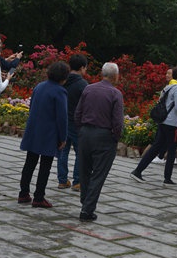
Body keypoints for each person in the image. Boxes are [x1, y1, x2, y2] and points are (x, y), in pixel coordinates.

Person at [74, 62, 124, 222]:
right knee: (99, 174)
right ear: (115, 76)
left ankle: (85, 201)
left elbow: (78, 112)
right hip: (104, 136)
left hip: (85, 133)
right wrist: (116, 137)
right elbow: (118, 122)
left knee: (84, 171)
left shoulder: (88, 89)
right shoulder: (115, 94)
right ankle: (87, 210)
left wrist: (81, 130)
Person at [18, 60, 70, 209]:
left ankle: (23, 193)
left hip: (34, 129)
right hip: (49, 133)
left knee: (29, 163)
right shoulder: (60, 92)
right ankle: (39, 197)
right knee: (45, 166)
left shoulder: (39, 86)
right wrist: (63, 137)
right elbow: (62, 117)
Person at [130, 64, 177, 187]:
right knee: (172, 150)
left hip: (164, 122)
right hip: (173, 124)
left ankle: (138, 171)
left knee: (156, 147)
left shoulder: (168, 87)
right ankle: (167, 179)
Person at [57, 54, 89, 190]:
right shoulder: (83, 85)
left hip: (62, 121)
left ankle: (62, 180)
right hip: (77, 123)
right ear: (82, 68)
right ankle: (78, 181)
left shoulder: (62, 81)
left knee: (63, 151)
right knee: (80, 153)